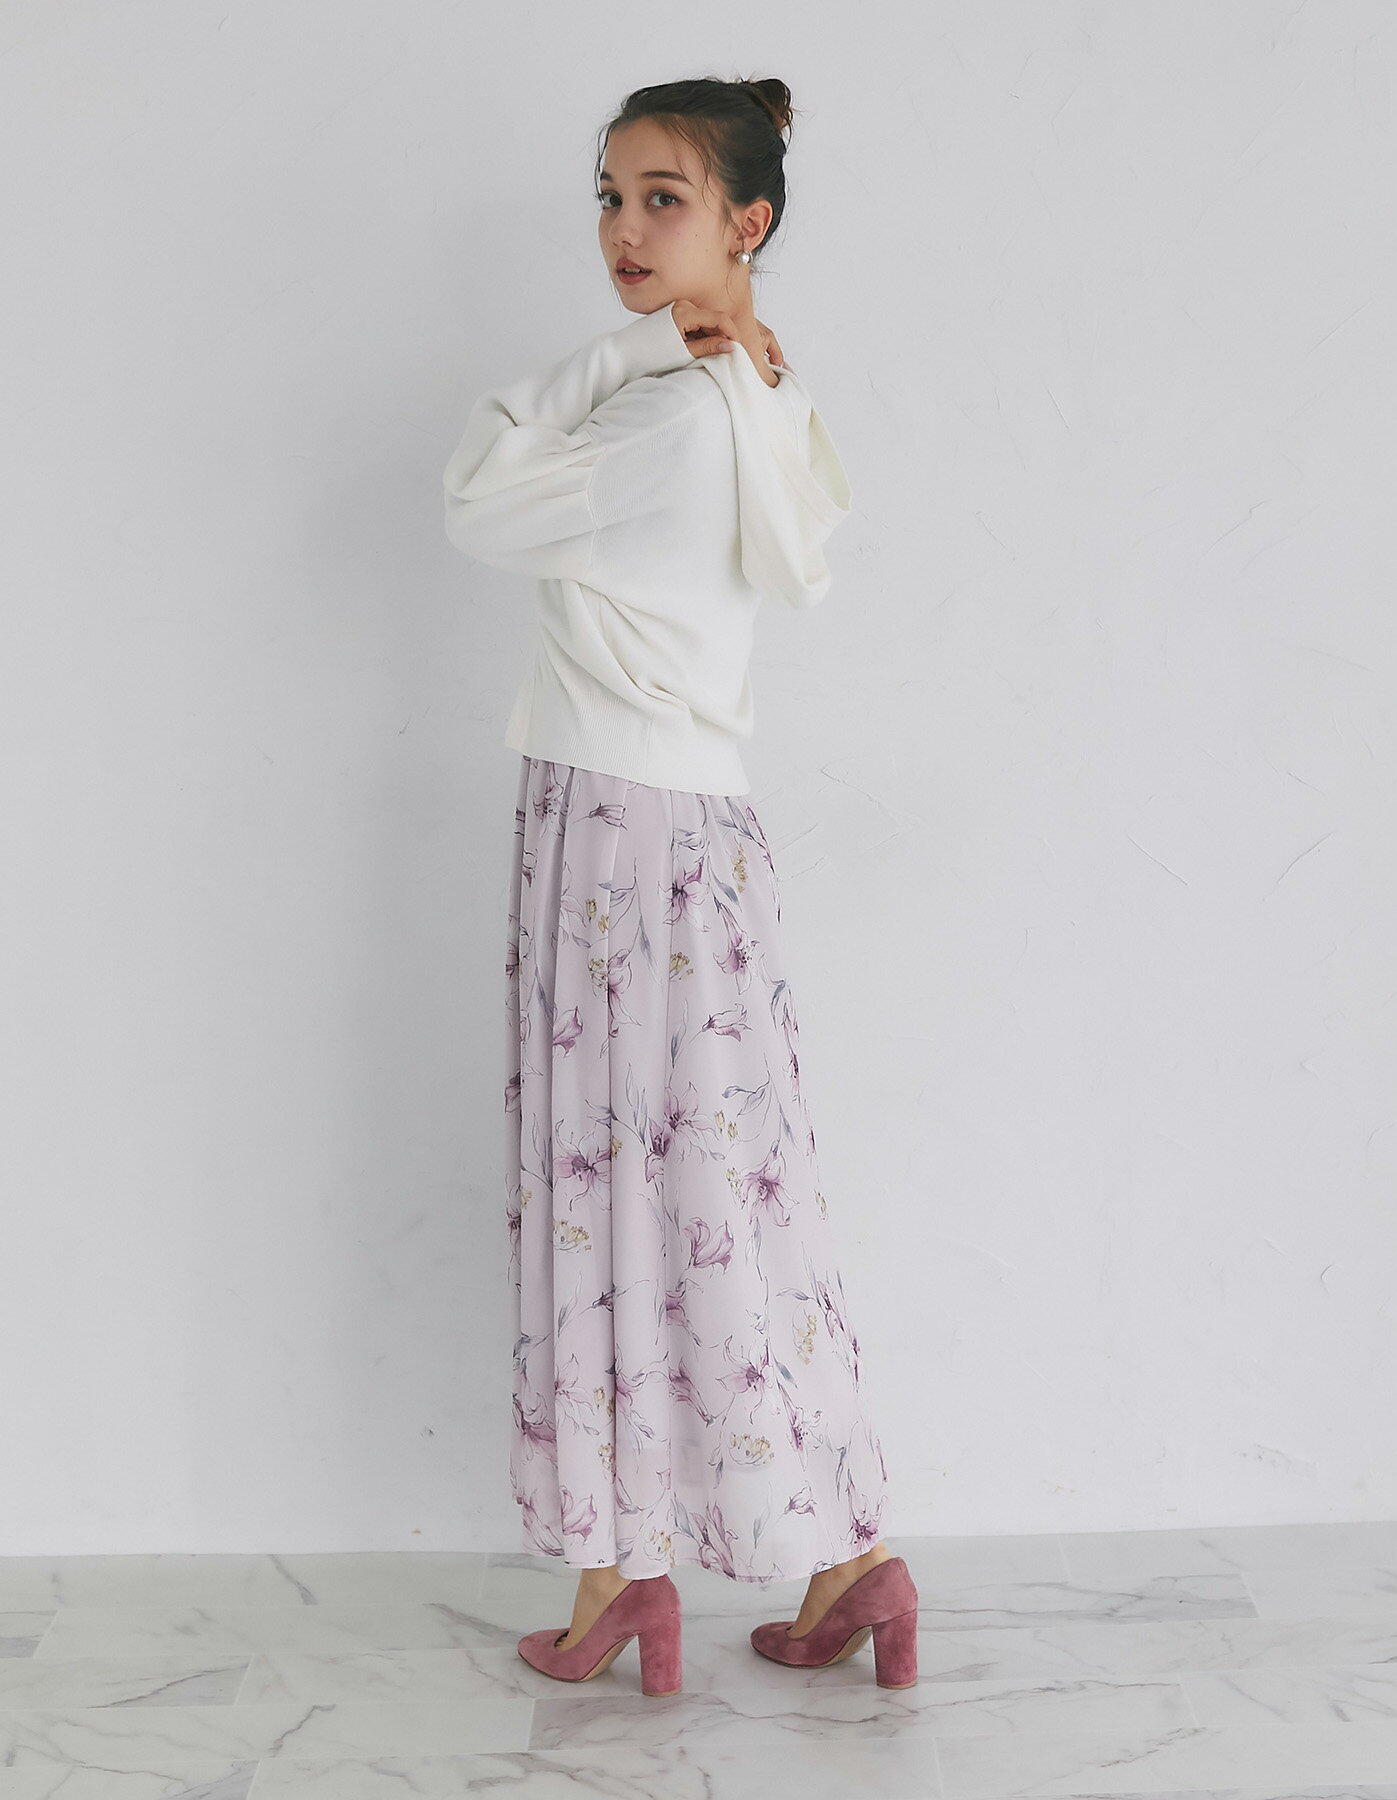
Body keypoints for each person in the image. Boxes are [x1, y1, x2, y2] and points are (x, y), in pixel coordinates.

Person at [441, 74, 919, 1695]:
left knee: (609, 1187)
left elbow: (474, 491)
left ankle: (622, 1569)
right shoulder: (758, 406)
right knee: (729, 1183)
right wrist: (704, 345)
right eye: (610, 196)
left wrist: (622, 352)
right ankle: (845, 1552)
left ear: (747, 223)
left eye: (666, 199)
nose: (626, 232)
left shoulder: (661, 411)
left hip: (608, 823)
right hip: (700, 825)